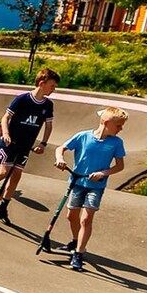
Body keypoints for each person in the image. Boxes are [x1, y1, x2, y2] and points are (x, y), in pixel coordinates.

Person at [0, 69, 59, 223]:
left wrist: (43, 144)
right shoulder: (22, 99)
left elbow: (48, 126)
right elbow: (6, 117)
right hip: (10, 142)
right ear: (42, 83)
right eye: (52, 86)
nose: (54, 89)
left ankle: (3, 206)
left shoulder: (48, 104)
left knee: (17, 175)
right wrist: (5, 134)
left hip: (26, 145)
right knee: (4, 172)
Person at [55, 108, 127, 272]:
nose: (121, 129)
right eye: (118, 125)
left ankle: (79, 253)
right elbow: (61, 148)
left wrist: (104, 173)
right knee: (71, 215)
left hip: (96, 186)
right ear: (106, 123)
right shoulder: (83, 136)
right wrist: (59, 159)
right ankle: (75, 241)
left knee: (86, 219)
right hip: (77, 182)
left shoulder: (116, 143)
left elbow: (120, 166)